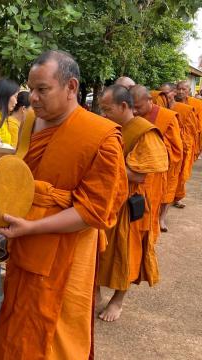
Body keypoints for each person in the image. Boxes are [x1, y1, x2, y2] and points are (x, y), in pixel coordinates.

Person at [0, 50, 128, 359]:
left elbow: (93, 210)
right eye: (31, 89)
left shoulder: (100, 136)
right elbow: (23, 180)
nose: (34, 98)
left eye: (43, 89)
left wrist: (34, 226)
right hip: (25, 246)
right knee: (17, 321)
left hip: (68, 254)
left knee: (58, 336)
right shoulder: (29, 122)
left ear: (71, 87)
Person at [97, 85, 168, 322]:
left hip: (129, 203)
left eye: (108, 109)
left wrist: (106, 164)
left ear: (124, 106)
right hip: (106, 199)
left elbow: (140, 174)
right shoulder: (109, 126)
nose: (104, 114)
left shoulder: (144, 131)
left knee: (125, 253)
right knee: (98, 248)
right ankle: (94, 293)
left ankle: (118, 300)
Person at [130, 85, 183, 237]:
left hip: (153, 176)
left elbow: (175, 150)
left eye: (138, 107)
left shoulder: (167, 117)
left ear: (149, 100)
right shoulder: (128, 114)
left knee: (147, 217)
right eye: (132, 107)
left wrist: (151, 151)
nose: (134, 111)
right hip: (131, 174)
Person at [159, 83, 198, 213]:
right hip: (164, 147)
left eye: (184, 89)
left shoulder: (190, 108)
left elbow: (193, 130)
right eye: (179, 89)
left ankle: (176, 197)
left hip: (182, 146)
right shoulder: (159, 106)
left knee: (178, 176)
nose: (181, 91)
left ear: (188, 91)